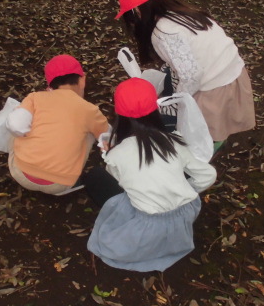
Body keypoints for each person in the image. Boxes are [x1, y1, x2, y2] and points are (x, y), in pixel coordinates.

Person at [86, 78, 217, 272]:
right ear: (156, 110)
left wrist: (108, 154)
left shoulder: (117, 154)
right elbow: (208, 175)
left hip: (146, 226)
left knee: (95, 176)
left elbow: (118, 182)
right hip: (183, 216)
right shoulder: (174, 140)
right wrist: (187, 189)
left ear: (119, 115)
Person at [115, 0, 255, 153]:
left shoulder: (163, 33)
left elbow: (191, 75)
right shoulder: (180, 12)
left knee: (206, 129)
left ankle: (207, 150)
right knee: (214, 120)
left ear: (137, 11)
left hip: (215, 85)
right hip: (233, 69)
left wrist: (178, 100)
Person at [6, 54, 108, 195]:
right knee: (91, 131)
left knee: (21, 118)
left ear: (50, 86)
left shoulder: (35, 97)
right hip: (59, 183)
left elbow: (17, 125)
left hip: (20, 173)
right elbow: (107, 136)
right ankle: (72, 179)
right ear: (82, 80)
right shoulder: (89, 110)